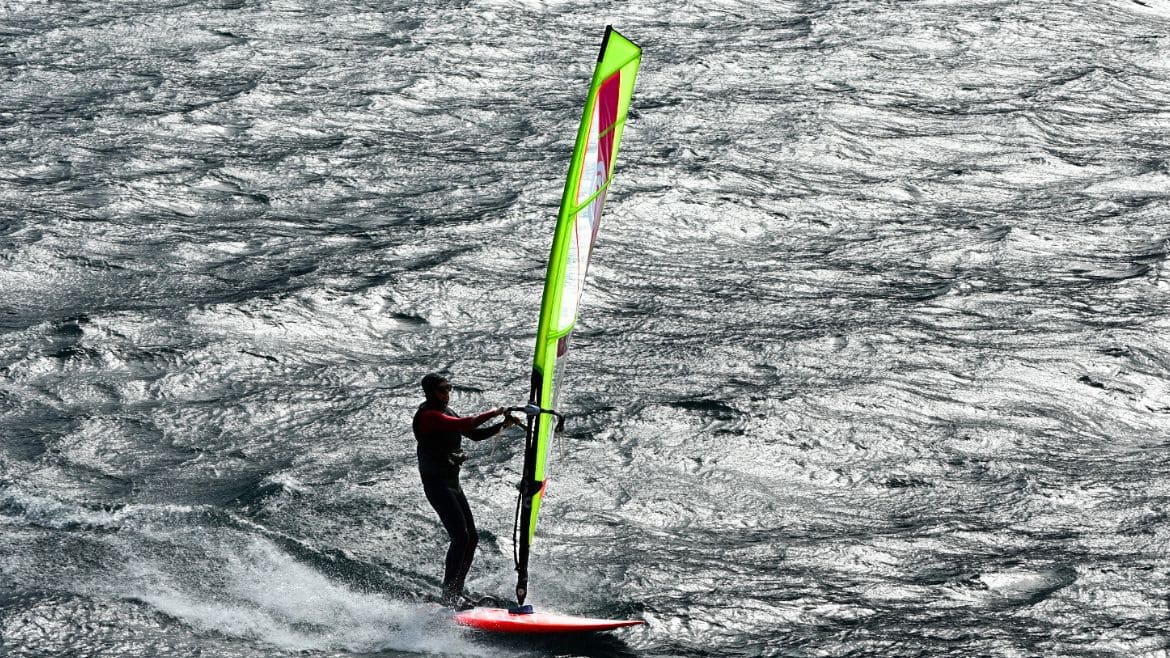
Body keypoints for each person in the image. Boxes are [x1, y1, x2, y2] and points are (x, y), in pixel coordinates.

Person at [412, 373, 520, 608]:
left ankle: (455, 592)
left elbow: (474, 434)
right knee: (460, 537)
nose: (447, 393)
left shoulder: (447, 411)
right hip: (436, 484)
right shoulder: (430, 415)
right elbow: (466, 424)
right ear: (430, 391)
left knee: (471, 538)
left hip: (452, 483)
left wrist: (502, 425)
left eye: (449, 388)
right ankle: (448, 596)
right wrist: (494, 411)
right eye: (443, 389)